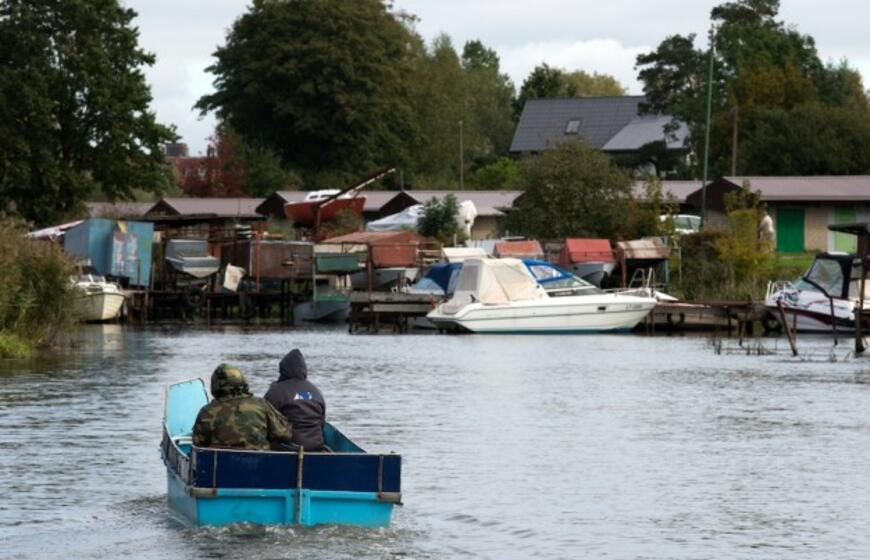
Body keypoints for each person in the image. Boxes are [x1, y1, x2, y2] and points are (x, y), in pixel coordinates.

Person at [193, 364, 292, 451]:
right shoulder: (261, 404)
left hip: (220, 467)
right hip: (260, 465)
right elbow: (284, 433)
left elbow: (198, 445)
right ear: (242, 382)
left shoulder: (207, 411)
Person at [264, 349, 327, 451]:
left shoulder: (276, 391)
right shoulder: (315, 391)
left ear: (283, 369)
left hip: (289, 448)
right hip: (316, 446)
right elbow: (322, 423)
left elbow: (265, 421)